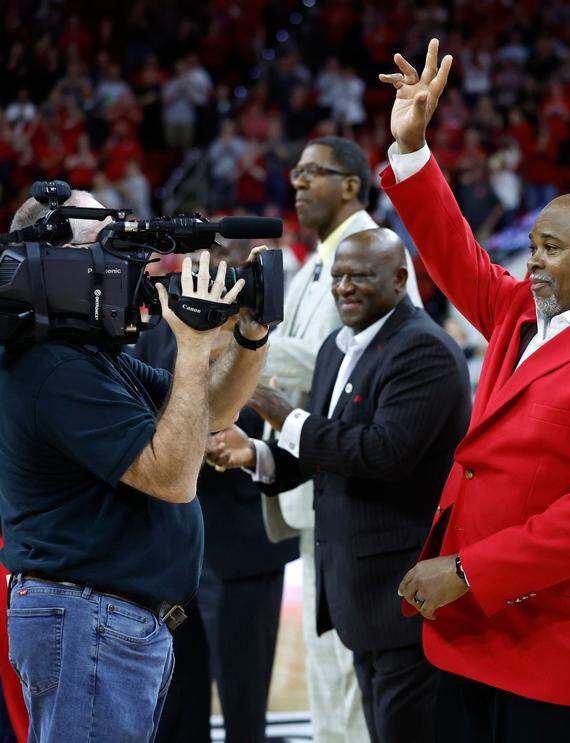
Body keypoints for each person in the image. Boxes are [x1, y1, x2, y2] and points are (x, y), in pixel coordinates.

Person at [378, 40, 570, 742]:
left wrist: (466, 568)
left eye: (551, 248)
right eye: (534, 246)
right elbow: (455, 252)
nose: (533, 261)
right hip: (478, 631)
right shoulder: (523, 308)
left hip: (562, 647)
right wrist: (412, 149)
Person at [0, 193, 270, 742]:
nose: (125, 263)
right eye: (107, 246)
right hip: (86, 620)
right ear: (51, 260)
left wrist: (249, 334)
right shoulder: (53, 367)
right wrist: (192, 347)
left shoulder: (88, 354)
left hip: (101, 621)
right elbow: (171, 479)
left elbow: (211, 415)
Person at [210, 228, 470, 743]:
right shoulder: (337, 345)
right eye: (338, 277)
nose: (345, 288)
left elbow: (382, 454)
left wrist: (285, 415)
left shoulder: (424, 350)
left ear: (400, 280)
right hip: (357, 596)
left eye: (361, 276)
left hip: (406, 596)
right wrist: (257, 454)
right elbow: (323, 453)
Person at [261, 135, 421, 743]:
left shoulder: (364, 259)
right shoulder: (315, 261)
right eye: (295, 172)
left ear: (352, 185)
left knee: (350, 679)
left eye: (313, 173)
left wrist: (239, 344)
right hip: (319, 480)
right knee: (330, 675)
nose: (298, 183)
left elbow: (325, 363)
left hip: (354, 488)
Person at [130, 239, 299, 743]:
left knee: (245, 710)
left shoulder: (273, 332)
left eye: (242, 257)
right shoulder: (163, 324)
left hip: (246, 549)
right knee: (177, 709)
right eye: (219, 252)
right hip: (176, 551)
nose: (227, 264)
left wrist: (248, 448)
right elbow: (141, 410)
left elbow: (302, 428)